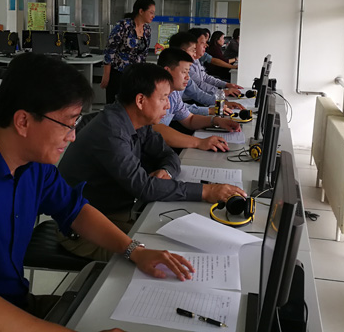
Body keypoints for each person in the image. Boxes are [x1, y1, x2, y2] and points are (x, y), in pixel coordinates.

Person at [0, 54, 193, 332]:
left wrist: (134, 251)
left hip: (13, 303)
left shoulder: (33, 162)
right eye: (68, 123)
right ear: (23, 121)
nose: (73, 136)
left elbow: (75, 210)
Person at [58, 63, 246, 260]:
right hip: (85, 230)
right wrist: (207, 191)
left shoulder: (138, 122)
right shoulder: (111, 132)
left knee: (183, 240)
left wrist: (167, 171)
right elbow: (144, 187)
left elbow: (168, 155)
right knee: (167, 255)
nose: (168, 105)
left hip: (119, 212)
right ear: (140, 100)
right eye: (163, 98)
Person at [154, 48, 241, 152]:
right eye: (184, 72)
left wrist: (216, 121)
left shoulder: (174, 94)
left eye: (188, 72)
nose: (187, 77)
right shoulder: (152, 93)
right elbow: (157, 130)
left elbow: (189, 119)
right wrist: (199, 142)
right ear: (167, 71)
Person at [167, 31, 245, 116]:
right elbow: (179, 108)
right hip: (189, 104)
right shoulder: (170, 81)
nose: (206, 45)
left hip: (190, 106)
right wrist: (211, 109)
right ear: (182, 52)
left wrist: (221, 102)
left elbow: (198, 92)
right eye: (193, 50)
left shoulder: (192, 63)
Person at [101, 0, 156, 104]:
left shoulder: (147, 30)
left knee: (131, 105)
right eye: (151, 12)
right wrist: (106, 75)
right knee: (116, 105)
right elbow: (109, 51)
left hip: (136, 76)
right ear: (141, 11)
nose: (153, 16)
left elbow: (143, 55)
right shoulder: (123, 25)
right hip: (119, 74)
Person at [187, 28, 242, 97]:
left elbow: (205, 77)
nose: (206, 45)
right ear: (192, 45)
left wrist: (226, 85)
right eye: (203, 42)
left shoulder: (196, 59)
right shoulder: (187, 63)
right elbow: (199, 85)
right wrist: (222, 92)